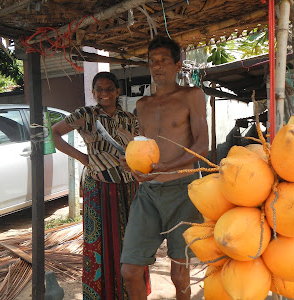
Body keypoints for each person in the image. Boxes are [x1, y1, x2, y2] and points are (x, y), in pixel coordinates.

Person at [120, 36, 209, 300]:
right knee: (130, 270)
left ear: (177, 64)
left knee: (179, 275)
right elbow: (144, 148)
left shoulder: (191, 95)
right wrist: (134, 165)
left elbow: (202, 146)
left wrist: (166, 167)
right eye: (152, 62)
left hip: (182, 190)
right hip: (147, 193)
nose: (157, 67)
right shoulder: (142, 105)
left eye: (164, 61)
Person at [51, 72, 150, 300]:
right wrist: (83, 158)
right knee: (100, 244)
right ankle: (103, 294)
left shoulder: (129, 118)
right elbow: (54, 133)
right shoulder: (85, 115)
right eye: (99, 89)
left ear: (117, 92)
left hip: (129, 189)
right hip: (99, 188)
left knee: (132, 243)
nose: (104, 94)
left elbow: (139, 149)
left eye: (109, 89)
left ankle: (130, 292)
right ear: (93, 92)